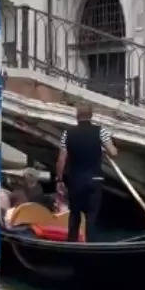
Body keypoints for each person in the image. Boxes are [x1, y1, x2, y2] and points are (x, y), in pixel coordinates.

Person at [56, 103, 118, 243]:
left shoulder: (67, 133)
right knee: (92, 216)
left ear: (77, 116)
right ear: (91, 116)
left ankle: (71, 244)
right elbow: (113, 153)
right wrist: (111, 144)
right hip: (95, 179)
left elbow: (61, 159)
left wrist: (59, 179)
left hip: (76, 180)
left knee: (75, 215)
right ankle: (91, 247)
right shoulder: (100, 131)